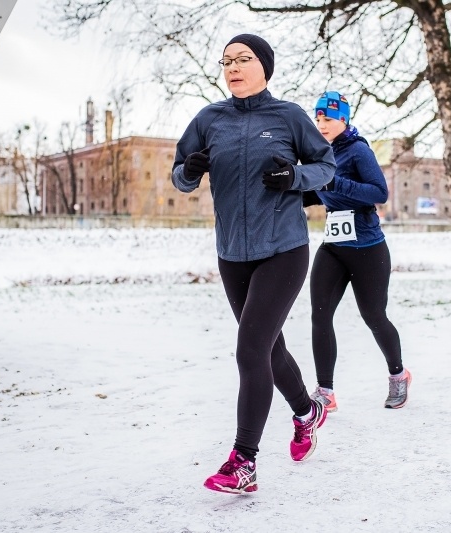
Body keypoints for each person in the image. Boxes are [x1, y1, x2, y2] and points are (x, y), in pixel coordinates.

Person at [171, 34, 337, 494]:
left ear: (264, 66)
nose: (233, 67)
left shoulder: (287, 116)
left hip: (283, 249)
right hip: (232, 254)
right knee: (268, 349)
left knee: (249, 350)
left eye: (243, 59)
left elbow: (326, 166)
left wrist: (294, 178)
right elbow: (180, 175)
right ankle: (307, 412)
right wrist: (191, 169)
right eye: (226, 61)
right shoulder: (209, 119)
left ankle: (243, 462)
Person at [301, 91, 410, 411]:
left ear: (344, 120)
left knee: (374, 316)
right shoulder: (318, 153)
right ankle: (326, 391)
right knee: (319, 316)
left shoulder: (358, 150)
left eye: (328, 119)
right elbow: (318, 195)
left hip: (367, 247)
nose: (321, 124)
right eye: (318, 118)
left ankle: (398, 375)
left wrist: (336, 184)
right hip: (334, 244)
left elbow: (379, 192)